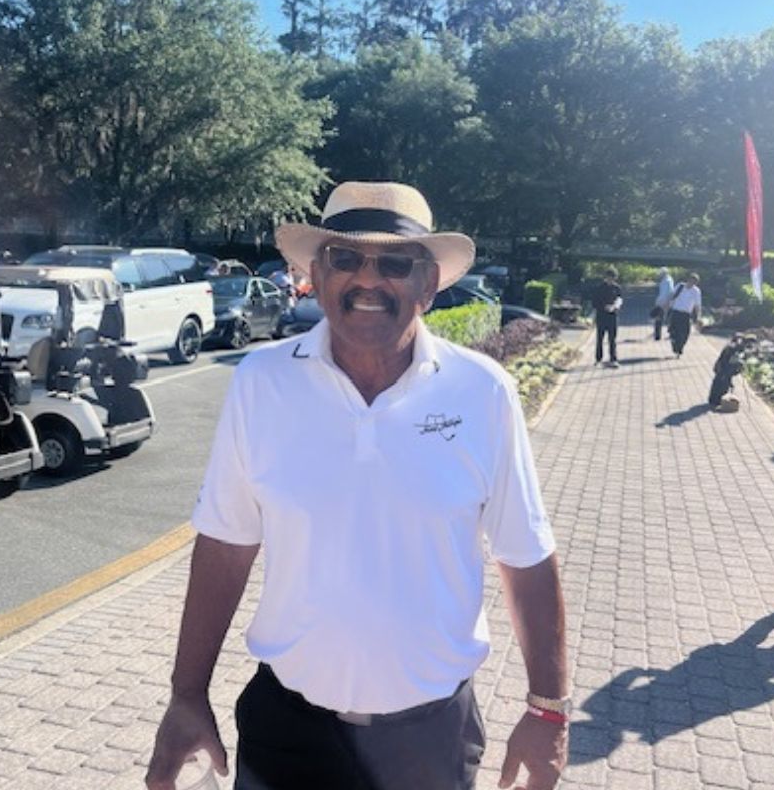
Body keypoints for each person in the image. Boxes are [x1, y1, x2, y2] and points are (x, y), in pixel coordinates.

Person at [146, 181, 568, 790]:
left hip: (430, 742)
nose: (367, 279)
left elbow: (526, 555)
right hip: (286, 734)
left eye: (395, 263)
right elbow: (225, 545)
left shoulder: (482, 391)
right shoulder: (261, 382)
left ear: (428, 285)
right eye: (345, 258)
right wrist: (187, 694)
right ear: (316, 275)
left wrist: (548, 710)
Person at [592, 267, 622, 367]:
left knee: (612, 339)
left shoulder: (617, 288)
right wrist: (604, 307)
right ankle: (598, 359)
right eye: (609, 278)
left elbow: (619, 299)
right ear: (605, 277)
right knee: (600, 339)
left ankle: (613, 359)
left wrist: (616, 306)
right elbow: (594, 303)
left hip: (613, 316)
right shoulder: (599, 288)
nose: (610, 280)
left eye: (613, 278)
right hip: (601, 316)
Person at [667, 273, 702, 357]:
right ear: (688, 280)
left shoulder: (696, 291)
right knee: (674, 332)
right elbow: (671, 296)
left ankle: (680, 347)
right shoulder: (680, 286)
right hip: (676, 312)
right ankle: (675, 346)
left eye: (694, 282)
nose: (692, 283)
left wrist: (698, 317)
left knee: (685, 332)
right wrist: (667, 306)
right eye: (691, 281)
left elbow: (697, 305)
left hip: (686, 314)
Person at [651, 268, 673, 341]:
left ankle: (658, 335)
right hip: (661, 302)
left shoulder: (668, 281)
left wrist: (667, 302)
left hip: (664, 302)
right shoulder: (665, 280)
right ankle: (658, 334)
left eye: (661, 274)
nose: (659, 275)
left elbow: (670, 292)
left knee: (659, 318)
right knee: (659, 318)